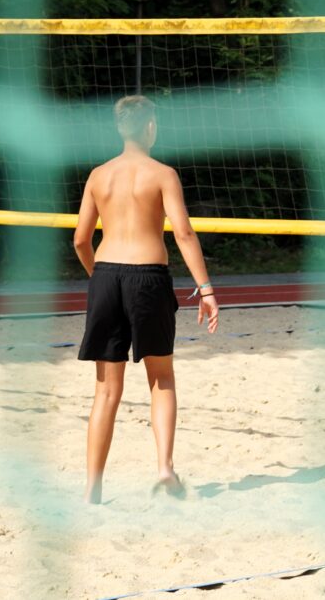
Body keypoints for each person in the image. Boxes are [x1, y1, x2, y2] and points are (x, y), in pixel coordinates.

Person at [73, 95, 220, 504]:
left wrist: (100, 279)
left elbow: (81, 240)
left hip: (106, 275)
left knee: (105, 391)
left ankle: (92, 488)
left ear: (120, 129)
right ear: (151, 127)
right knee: (162, 378)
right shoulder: (162, 174)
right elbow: (184, 234)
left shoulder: (98, 176)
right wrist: (206, 289)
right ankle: (164, 468)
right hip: (148, 278)